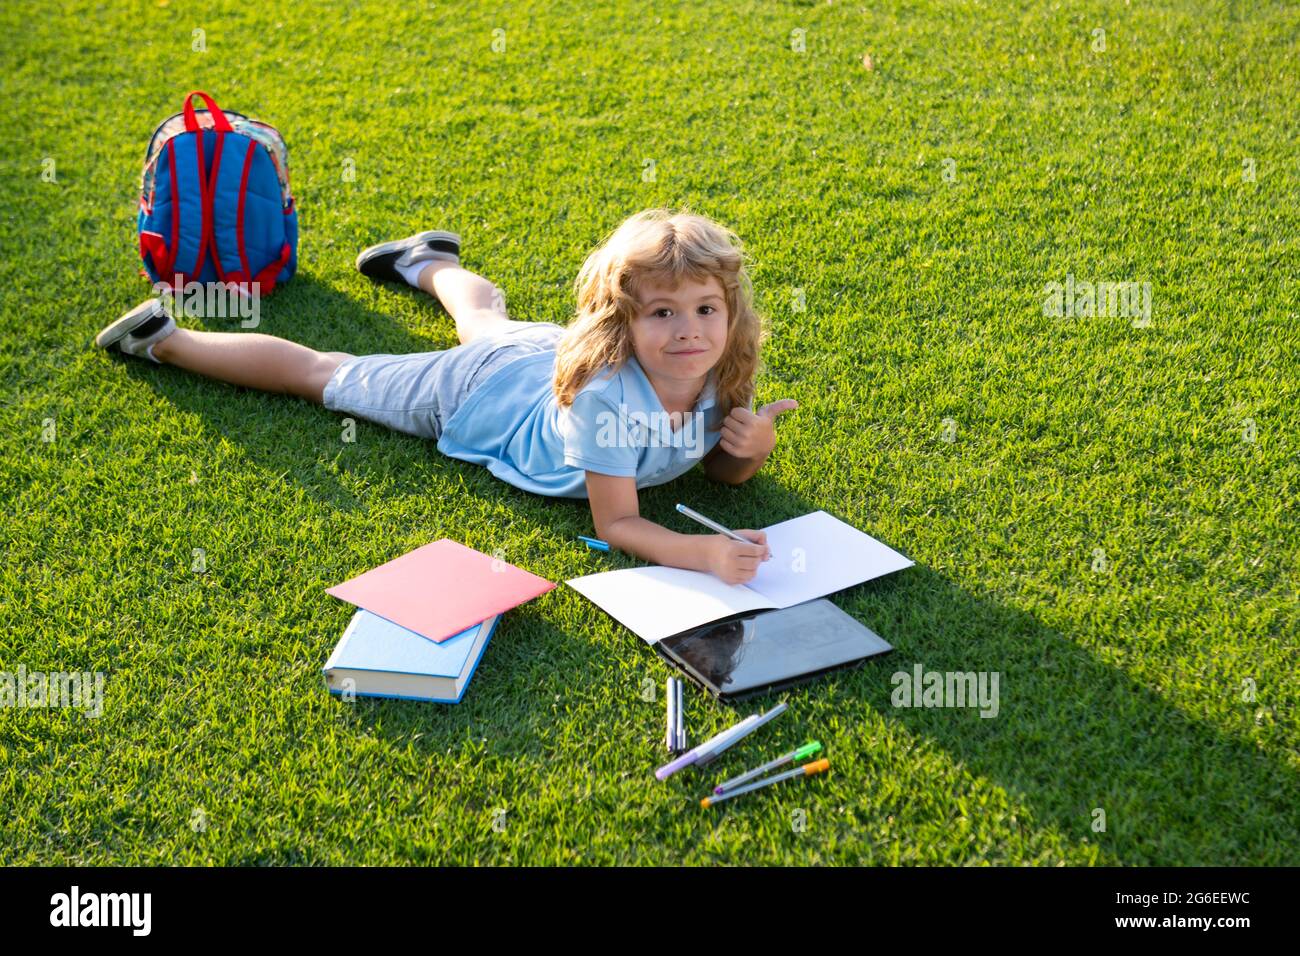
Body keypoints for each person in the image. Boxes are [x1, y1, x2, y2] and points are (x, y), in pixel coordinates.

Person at [95, 209, 798, 584]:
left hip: (538, 356)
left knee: (486, 322)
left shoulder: (722, 363)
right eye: (663, 314)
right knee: (330, 374)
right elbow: (618, 523)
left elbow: (719, 467)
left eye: (706, 309)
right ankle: (165, 340)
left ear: (730, 312)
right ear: (622, 323)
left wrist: (750, 452)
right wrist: (701, 554)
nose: (689, 332)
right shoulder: (607, 397)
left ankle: (428, 260)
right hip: (482, 393)